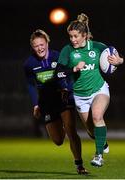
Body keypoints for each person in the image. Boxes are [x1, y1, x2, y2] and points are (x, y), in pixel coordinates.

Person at [57, 13, 124, 167]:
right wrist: (73, 68)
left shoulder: (97, 46)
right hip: (80, 95)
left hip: (99, 89)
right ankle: (102, 141)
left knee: (97, 116)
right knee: (91, 131)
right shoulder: (67, 50)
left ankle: (99, 156)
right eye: (70, 36)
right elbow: (58, 73)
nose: (73, 40)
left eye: (76, 36)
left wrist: (119, 60)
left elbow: (116, 56)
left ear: (85, 36)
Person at [23, 29, 88, 174]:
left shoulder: (58, 56)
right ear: (32, 47)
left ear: (47, 43)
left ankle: (79, 165)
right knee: (58, 140)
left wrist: (67, 88)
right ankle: (61, 125)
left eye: (42, 44)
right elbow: (30, 85)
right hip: (47, 102)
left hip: (63, 97)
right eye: (36, 46)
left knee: (71, 130)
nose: (39, 48)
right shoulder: (29, 64)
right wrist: (35, 104)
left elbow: (70, 75)